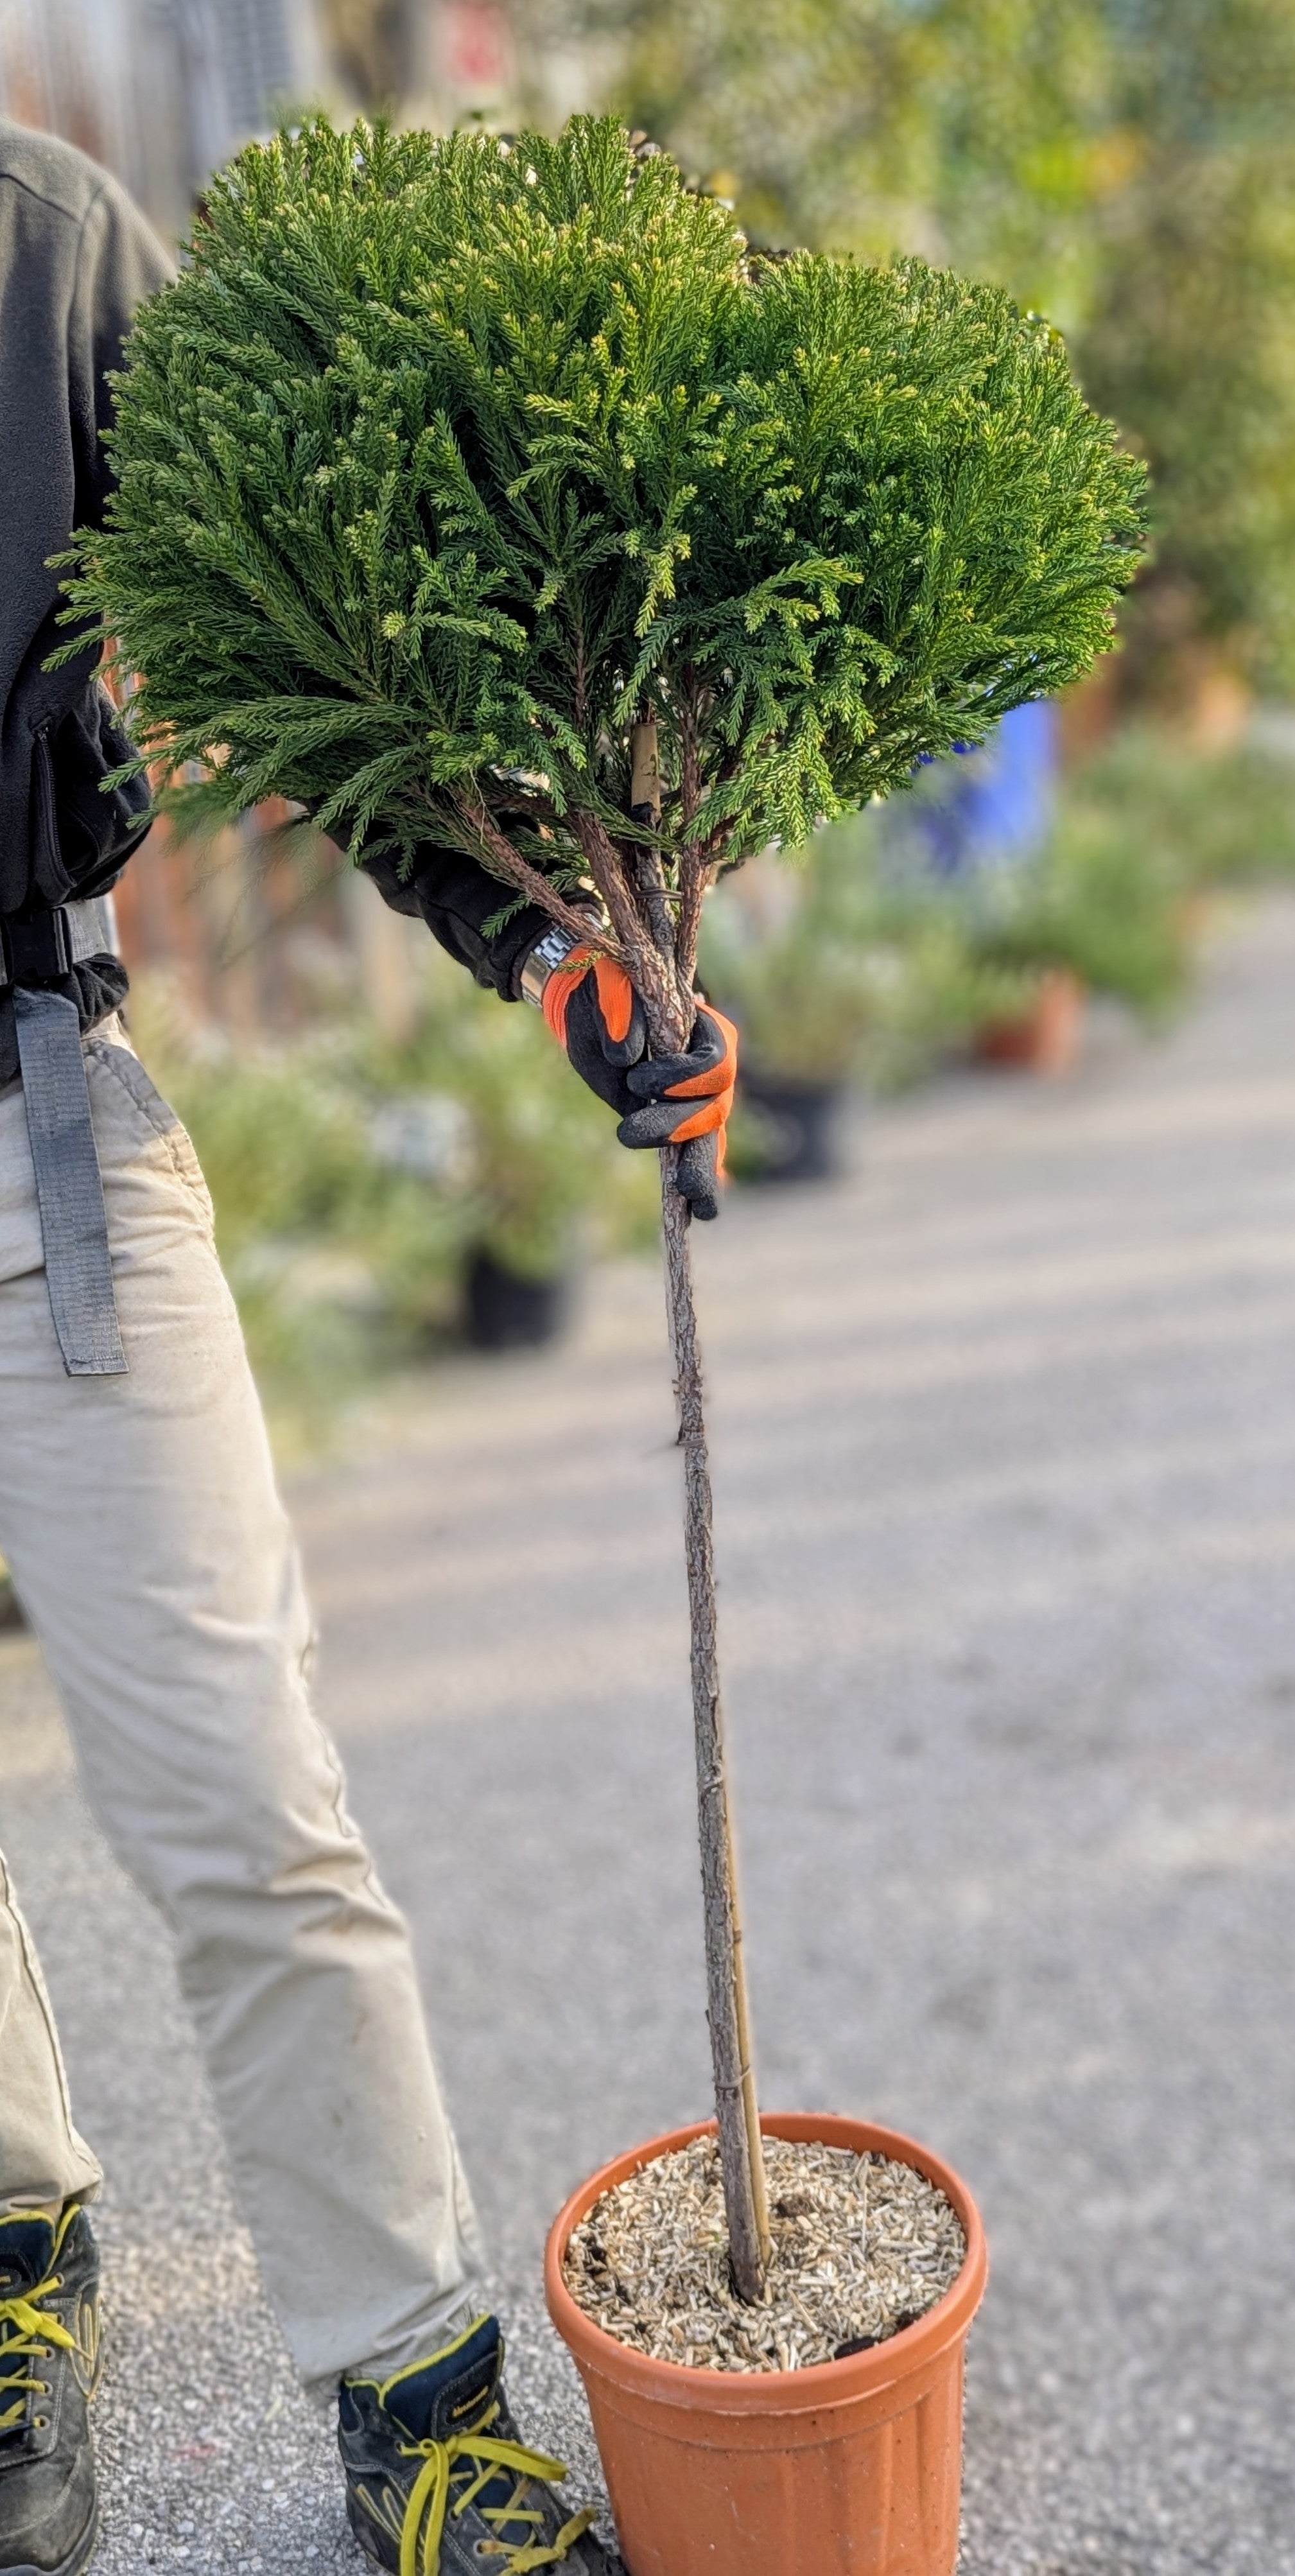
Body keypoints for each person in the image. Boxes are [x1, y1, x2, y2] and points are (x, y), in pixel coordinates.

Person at [0, 119, 736, 2576]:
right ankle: (19, 2256)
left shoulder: (48, 244)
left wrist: (548, 937)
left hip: (28, 1135)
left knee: (243, 1797)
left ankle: (414, 2393)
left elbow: (301, 648)